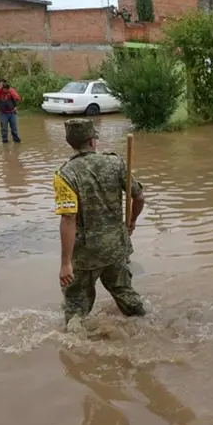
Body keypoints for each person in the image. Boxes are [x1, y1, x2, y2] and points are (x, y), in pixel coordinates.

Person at [53, 118, 146, 325]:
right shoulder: (116, 163)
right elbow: (138, 197)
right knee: (128, 298)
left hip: (85, 255)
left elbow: (68, 218)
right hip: (116, 247)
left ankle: (75, 353)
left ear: (70, 143)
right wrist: (131, 221)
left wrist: (66, 263)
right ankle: (146, 327)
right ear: (92, 141)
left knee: (76, 312)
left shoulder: (65, 175)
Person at [0, 77, 22, 144]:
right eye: (0, 83)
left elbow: (18, 98)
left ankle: (17, 142)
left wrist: (10, 90)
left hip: (12, 112)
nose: (2, 84)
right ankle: (5, 144)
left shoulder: (10, 90)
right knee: (4, 130)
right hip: (3, 113)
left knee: (14, 129)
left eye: (3, 83)